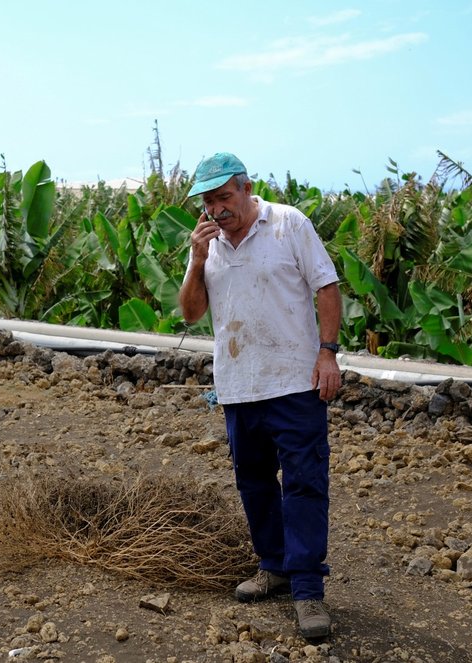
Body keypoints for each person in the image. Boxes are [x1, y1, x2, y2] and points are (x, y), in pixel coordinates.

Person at [178, 152, 342, 639]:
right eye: (208, 201)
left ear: (247, 188)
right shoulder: (208, 246)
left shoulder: (288, 224)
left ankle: (308, 589)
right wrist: (196, 259)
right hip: (238, 385)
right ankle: (273, 567)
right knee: (253, 482)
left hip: (294, 382)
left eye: (224, 197)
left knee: (304, 483)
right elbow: (190, 314)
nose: (217, 209)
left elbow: (327, 287)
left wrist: (328, 354)